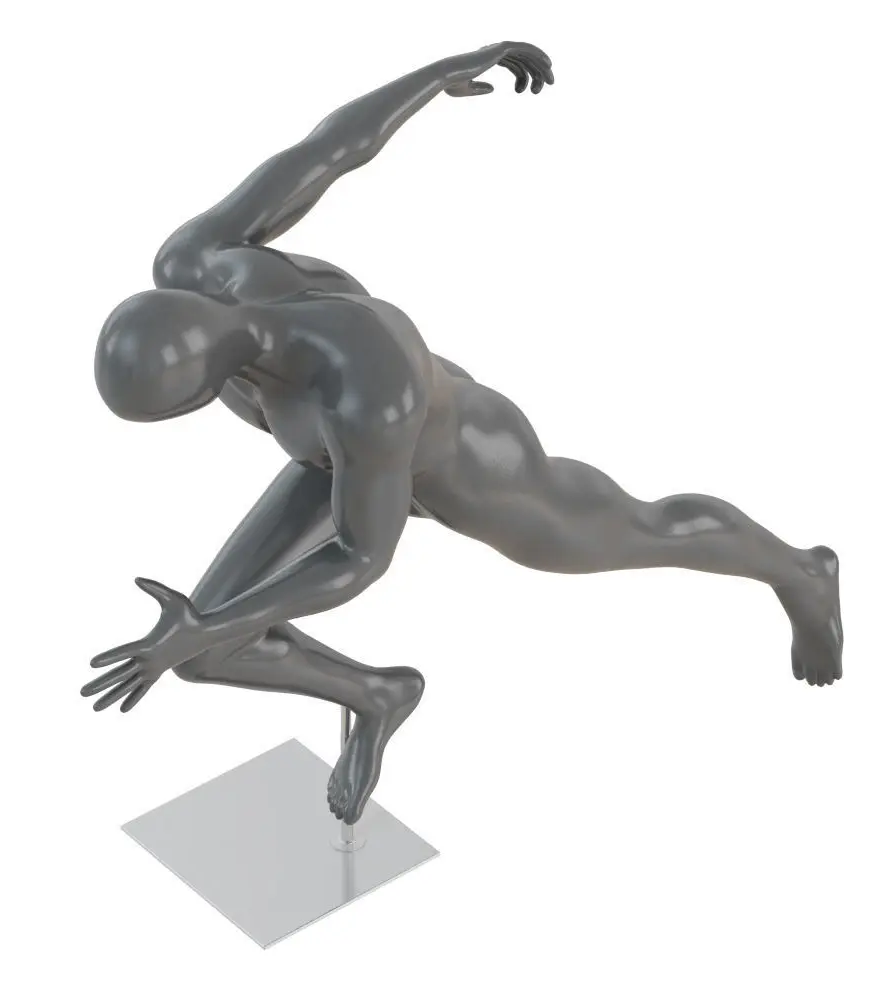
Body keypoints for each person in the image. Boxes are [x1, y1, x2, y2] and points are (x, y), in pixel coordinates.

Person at [82, 42, 842, 826]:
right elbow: (326, 149)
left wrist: (211, 620)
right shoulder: (196, 259)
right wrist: (437, 76)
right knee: (206, 655)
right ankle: (378, 695)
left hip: (465, 465)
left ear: (207, 378)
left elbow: (361, 557)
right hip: (335, 460)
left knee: (641, 531)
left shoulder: (364, 375)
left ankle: (801, 572)